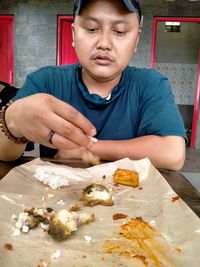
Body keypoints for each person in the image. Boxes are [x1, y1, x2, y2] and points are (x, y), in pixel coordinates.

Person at [0, 0, 186, 170]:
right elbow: (4, 153)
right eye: (91, 29)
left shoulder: (151, 85)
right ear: (73, 34)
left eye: (119, 31)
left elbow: (173, 154)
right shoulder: (45, 81)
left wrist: (87, 148)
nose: (104, 43)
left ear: (136, 40)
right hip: (58, 202)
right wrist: (13, 120)